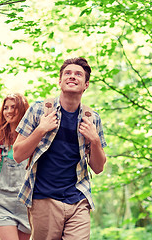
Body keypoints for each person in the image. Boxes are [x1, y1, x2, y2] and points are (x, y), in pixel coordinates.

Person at [13, 57, 107, 239]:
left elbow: (99, 167)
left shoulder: (92, 118)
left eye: (78, 74)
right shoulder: (39, 110)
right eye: (68, 73)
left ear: (86, 84)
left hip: (78, 198)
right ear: (60, 80)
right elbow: (17, 155)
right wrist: (41, 130)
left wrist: (94, 140)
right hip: (44, 199)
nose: (72, 77)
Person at [0, 93, 31, 240]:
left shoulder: (32, 138)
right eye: (6, 108)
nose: (9, 111)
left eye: (14, 107)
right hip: (2, 201)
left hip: (26, 202)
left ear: (23, 110)